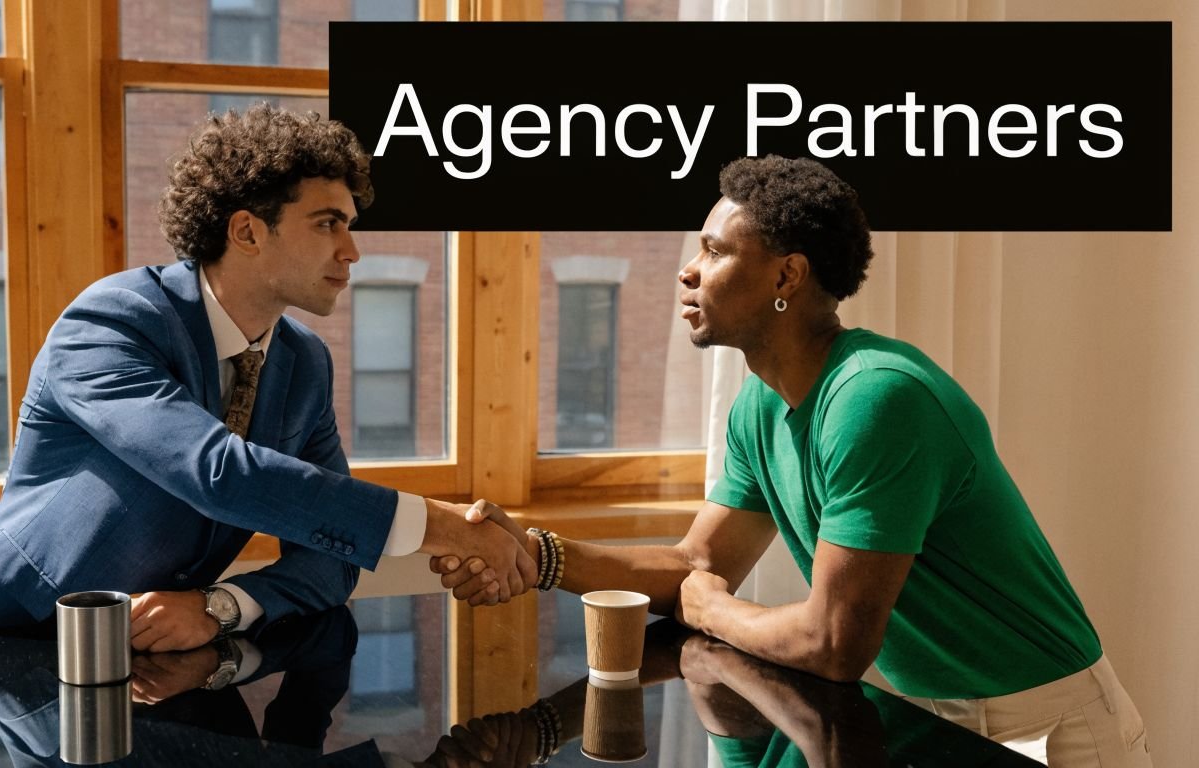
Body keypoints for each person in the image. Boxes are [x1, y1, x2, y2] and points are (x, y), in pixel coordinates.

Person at [434, 156, 1150, 765]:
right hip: (923, 716)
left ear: (787, 277)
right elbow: (695, 565)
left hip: (1044, 728)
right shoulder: (760, 405)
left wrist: (714, 610)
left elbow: (832, 642)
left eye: (715, 251)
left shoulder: (877, 399)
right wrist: (536, 553)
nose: (689, 271)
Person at [0, 104, 533, 650]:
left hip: (157, 666)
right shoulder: (113, 320)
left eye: (350, 224)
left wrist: (217, 607)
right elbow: (215, 472)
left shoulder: (305, 363)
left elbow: (330, 557)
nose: (352, 251)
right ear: (247, 231)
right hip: (5, 646)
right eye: (327, 223)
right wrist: (441, 526)